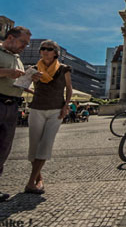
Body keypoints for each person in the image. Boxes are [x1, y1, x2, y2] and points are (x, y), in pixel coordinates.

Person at [24, 40, 72, 194]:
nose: (45, 51)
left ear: (55, 53)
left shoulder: (64, 69)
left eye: (49, 49)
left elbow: (69, 89)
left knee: (46, 144)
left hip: (56, 111)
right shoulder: (33, 69)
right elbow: (21, 85)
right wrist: (32, 83)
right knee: (33, 146)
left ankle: (31, 182)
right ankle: (39, 178)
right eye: (43, 49)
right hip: (37, 109)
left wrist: (66, 105)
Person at [0, 26, 31, 202]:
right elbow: (7, 75)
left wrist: (27, 82)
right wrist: (7, 72)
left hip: (11, 106)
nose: (24, 46)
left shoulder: (18, 59)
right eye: (22, 42)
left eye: (27, 44)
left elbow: (14, 81)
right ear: (10, 37)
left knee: (3, 149)